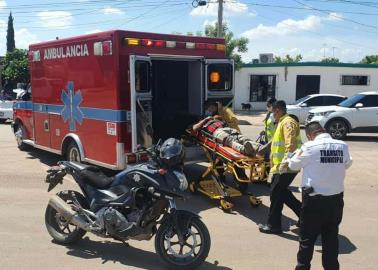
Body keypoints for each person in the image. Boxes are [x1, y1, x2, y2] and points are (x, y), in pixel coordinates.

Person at [286, 121, 352, 270]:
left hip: (314, 202)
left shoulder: (309, 146)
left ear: (310, 135)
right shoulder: (342, 145)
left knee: (307, 240)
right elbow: (347, 164)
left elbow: (293, 165)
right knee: (331, 239)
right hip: (335, 201)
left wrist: (292, 156)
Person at [259, 100, 302, 234]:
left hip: (286, 166)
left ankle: (273, 226)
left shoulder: (287, 122)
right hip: (282, 166)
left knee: (276, 195)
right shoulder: (282, 122)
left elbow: (291, 145)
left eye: (273, 112)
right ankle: (305, 217)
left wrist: (284, 163)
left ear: (278, 110)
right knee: (282, 193)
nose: (272, 115)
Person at [192, 116, 264, 157]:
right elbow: (194, 129)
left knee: (242, 138)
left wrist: (215, 119)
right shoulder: (202, 125)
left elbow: (221, 119)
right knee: (231, 141)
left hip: (227, 129)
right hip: (217, 132)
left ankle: (259, 147)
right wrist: (205, 119)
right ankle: (244, 149)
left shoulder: (215, 120)